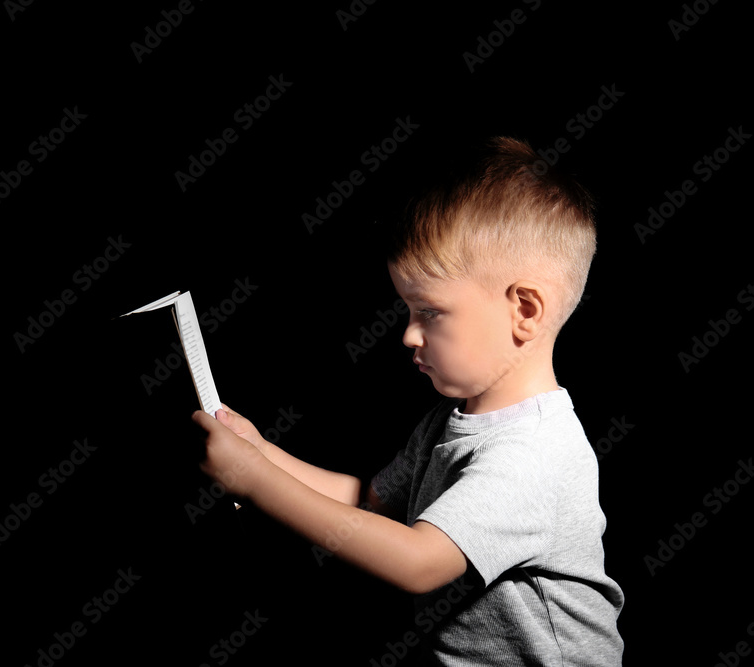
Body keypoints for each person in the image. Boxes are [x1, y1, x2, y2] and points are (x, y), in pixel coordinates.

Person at [192, 137, 624, 665]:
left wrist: (254, 482)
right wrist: (260, 453)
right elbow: (367, 504)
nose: (408, 335)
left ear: (525, 311)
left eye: (431, 312)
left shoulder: (533, 454)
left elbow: (417, 563)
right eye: (407, 311)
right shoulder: (454, 417)